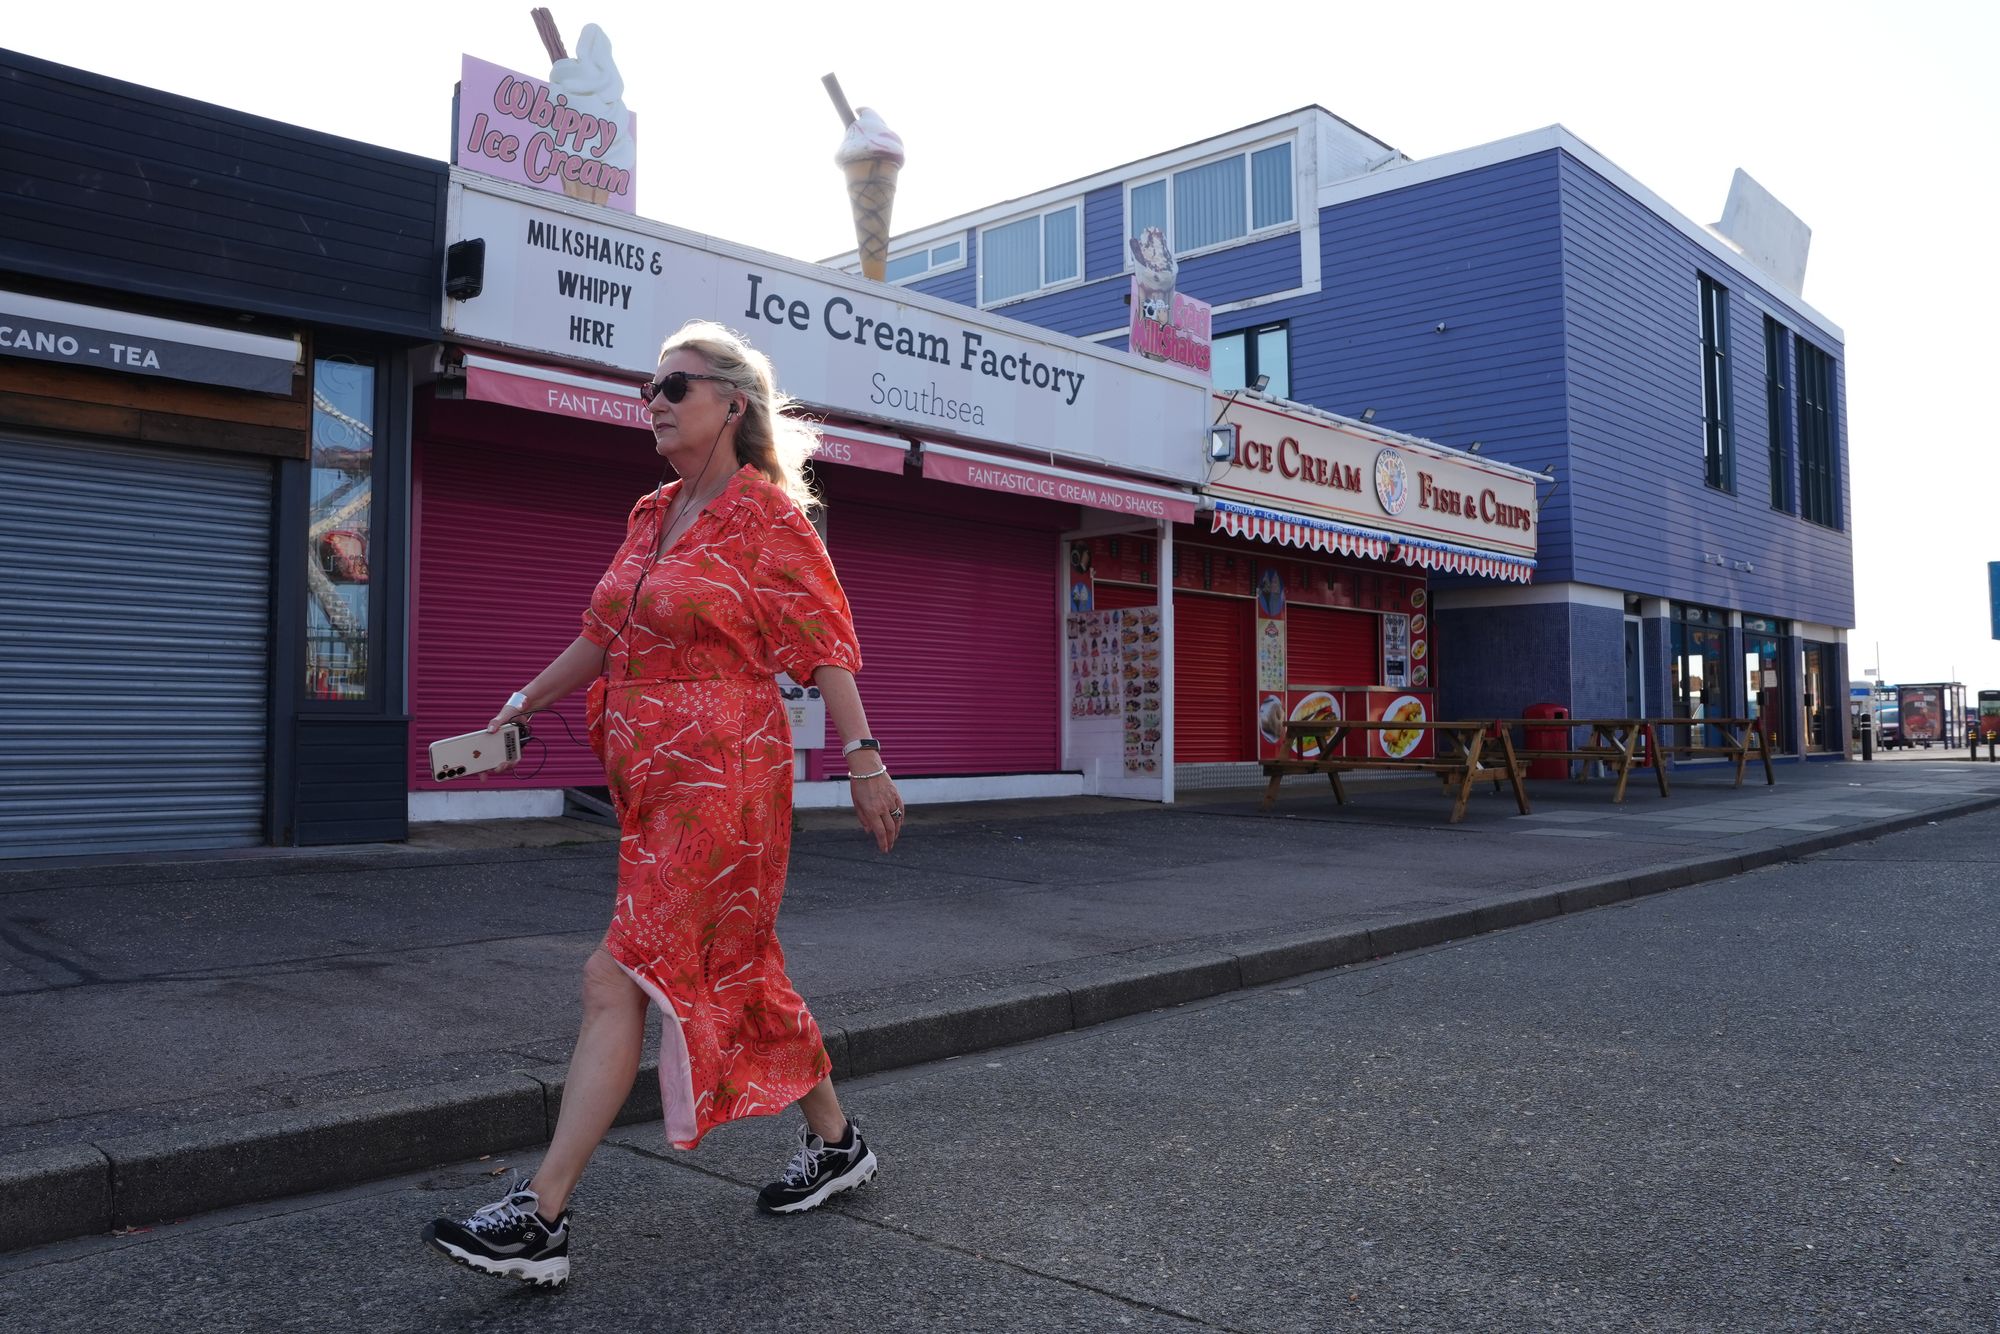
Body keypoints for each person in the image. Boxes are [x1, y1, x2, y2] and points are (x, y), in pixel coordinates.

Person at [421, 320, 905, 1288]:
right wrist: (519, 704)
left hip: (725, 780)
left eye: (674, 385)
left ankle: (541, 1215)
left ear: (731, 401)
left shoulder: (766, 516)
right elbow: (601, 634)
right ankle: (840, 1142)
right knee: (737, 967)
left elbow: (824, 638)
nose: (654, 399)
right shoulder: (650, 513)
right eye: (649, 385)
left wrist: (862, 758)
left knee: (618, 974)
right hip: (650, 783)